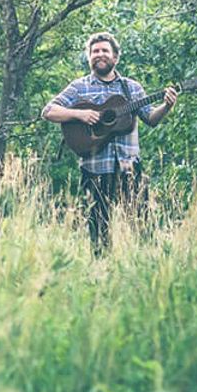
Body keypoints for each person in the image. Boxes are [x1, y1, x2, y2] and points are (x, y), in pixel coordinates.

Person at [41, 32, 177, 255]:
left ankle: (145, 267)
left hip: (129, 167)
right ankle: (100, 274)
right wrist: (80, 115)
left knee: (142, 225)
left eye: (105, 51)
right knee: (98, 229)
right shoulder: (79, 87)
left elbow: (151, 118)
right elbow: (48, 111)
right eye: (95, 52)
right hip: (95, 169)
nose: (99, 55)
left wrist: (167, 106)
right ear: (89, 57)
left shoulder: (131, 88)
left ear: (116, 57)